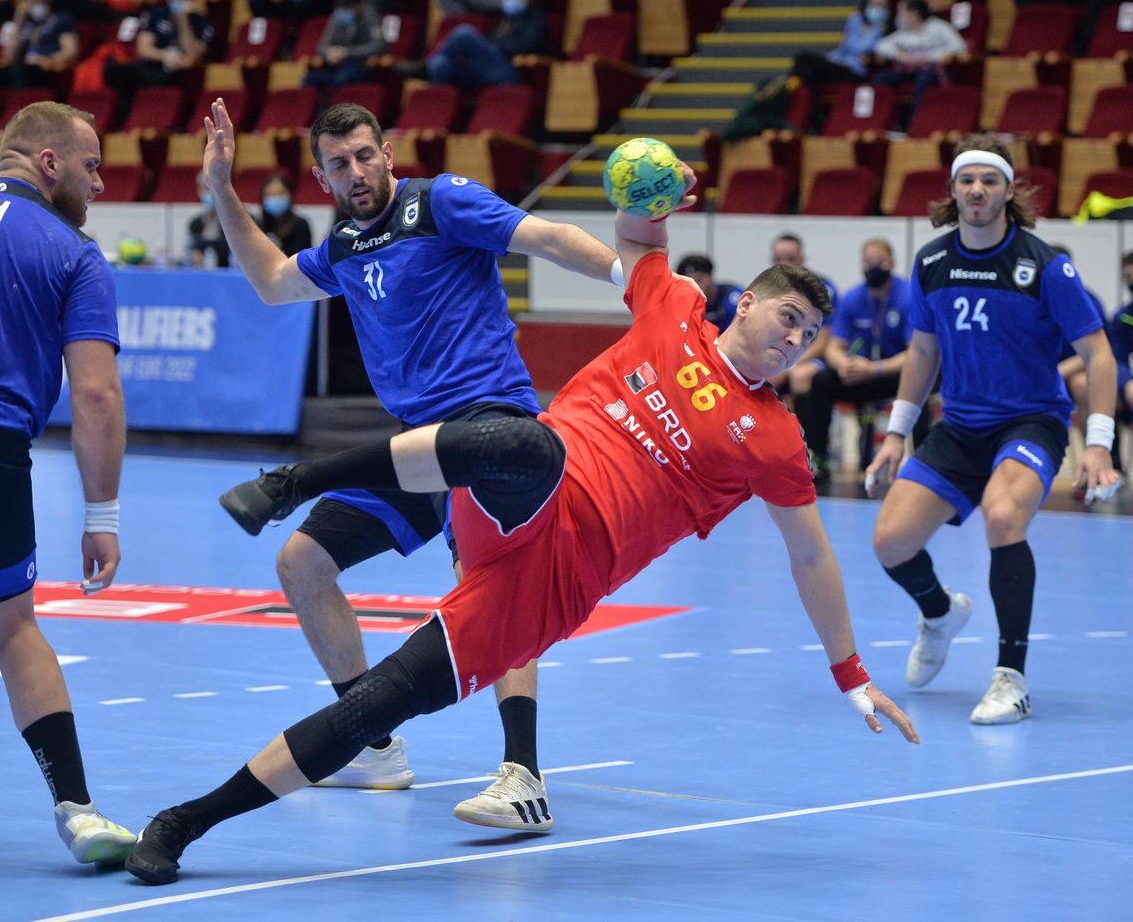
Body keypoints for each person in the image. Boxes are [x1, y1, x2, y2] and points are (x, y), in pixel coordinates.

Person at [125, 167, 920, 885]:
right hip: (529, 490)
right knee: (525, 439)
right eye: (787, 317)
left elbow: (811, 556)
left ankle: (182, 822)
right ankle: (294, 481)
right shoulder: (674, 305)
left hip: (558, 578)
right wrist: (651, 193)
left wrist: (850, 671)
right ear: (743, 301)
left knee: (375, 707)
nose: (794, 339)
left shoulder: (776, 440)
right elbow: (639, 236)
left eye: (809, 333)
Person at [197, 97, 621, 828]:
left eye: (365, 155)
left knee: (492, 586)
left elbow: (545, 236)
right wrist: (222, 190)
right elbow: (270, 282)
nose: (355, 172)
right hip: (410, 443)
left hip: (490, 426)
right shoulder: (342, 249)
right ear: (323, 178)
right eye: (338, 164)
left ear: (387, 154)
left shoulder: (443, 203)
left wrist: (628, 277)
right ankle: (374, 745)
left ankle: (524, 776)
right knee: (302, 564)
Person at [0, 101, 134, 865]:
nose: (100, 183)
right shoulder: (72, 252)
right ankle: (79, 812)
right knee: (14, 632)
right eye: (91, 166)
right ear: (48, 163)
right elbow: (95, 394)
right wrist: (102, 513)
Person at [865, 134, 1120, 725]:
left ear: (1009, 191)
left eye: (989, 180)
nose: (977, 190)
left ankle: (1011, 678)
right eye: (967, 180)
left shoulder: (1044, 265)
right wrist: (896, 435)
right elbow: (923, 353)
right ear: (953, 192)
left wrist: (1100, 443)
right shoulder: (930, 262)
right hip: (960, 425)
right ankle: (940, 613)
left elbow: (1099, 354)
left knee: (1004, 518)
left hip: (1031, 420)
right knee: (890, 542)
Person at [794, 237, 923, 482]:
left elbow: (915, 353)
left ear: (892, 263)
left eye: (879, 261)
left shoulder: (908, 296)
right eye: (868, 261)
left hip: (893, 374)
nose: (873, 266)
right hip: (859, 375)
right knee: (820, 380)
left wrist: (876, 369)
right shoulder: (853, 297)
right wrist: (843, 363)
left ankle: (922, 464)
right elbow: (834, 346)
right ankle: (818, 459)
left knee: (921, 381)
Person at [396, 0, 548, 89]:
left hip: (508, 72)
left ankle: (424, 66)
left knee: (464, 33)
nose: (512, 0)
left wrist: (488, 48)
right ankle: (437, 118)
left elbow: (524, 46)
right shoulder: (503, 20)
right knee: (440, 64)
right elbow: (490, 39)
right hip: (486, 70)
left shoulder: (536, 20)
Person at [1049, 244, 1119, 477]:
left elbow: (1101, 351)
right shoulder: (1032, 298)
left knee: (1081, 383)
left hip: (1073, 370)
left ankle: (1097, 461)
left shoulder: (1086, 300)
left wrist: (1061, 370)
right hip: (1042, 375)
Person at [102, 0, 214, 122]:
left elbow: (193, 53)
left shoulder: (200, 21)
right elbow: (144, 49)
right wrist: (165, 56)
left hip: (180, 71)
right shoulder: (156, 14)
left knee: (184, 77)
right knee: (114, 70)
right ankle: (120, 122)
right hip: (156, 65)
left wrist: (183, 20)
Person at [765, 233, 839, 424]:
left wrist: (788, 363)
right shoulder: (765, 290)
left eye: (790, 259)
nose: (784, 264)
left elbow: (822, 342)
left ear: (802, 259)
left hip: (812, 358)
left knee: (801, 375)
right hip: (782, 356)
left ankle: (809, 447)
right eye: (778, 259)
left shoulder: (822, 288)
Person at [0, 0, 79, 92]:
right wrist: (18, 19)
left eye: (41, 2)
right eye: (34, 2)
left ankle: (19, 105)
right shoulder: (24, 24)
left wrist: (48, 60)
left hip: (45, 68)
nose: (38, 5)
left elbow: (70, 51)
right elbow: (9, 56)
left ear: (49, 2)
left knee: (19, 71)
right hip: (22, 68)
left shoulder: (61, 19)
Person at [873, 0, 967, 116]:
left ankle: (915, 122)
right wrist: (899, 55)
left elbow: (959, 46)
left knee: (923, 81)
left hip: (930, 69)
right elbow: (880, 45)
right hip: (908, 69)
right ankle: (887, 119)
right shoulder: (904, 31)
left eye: (902, 12)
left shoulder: (938, 26)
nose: (899, 16)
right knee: (881, 78)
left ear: (914, 13)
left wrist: (929, 57)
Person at [791, 0, 891, 90]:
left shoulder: (885, 31)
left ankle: (790, 93)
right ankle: (794, 94)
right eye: (874, 4)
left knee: (804, 59)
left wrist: (878, 30)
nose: (878, 8)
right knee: (807, 70)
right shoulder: (855, 19)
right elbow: (844, 47)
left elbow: (861, 48)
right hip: (838, 62)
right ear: (866, 4)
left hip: (855, 71)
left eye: (882, 5)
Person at [301, 0, 387, 94]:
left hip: (361, 64)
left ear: (359, 5)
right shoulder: (338, 15)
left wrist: (347, 52)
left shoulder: (370, 15)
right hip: (337, 64)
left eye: (348, 7)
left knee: (341, 78)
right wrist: (330, 52)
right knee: (310, 78)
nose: (344, 11)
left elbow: (379, 46)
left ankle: (336, 110)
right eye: (342, 7)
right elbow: (322, 46)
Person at [675, 252, 740, 328]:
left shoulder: (733, 301)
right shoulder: (678, 304)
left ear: (711, 275)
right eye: (688, 283)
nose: (694, 286)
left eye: (699, 280)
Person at [254, 173, 312, 257]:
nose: (275, 198)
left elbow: (303, 260)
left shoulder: (301, 224)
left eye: (280, 193)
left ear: (290, 195)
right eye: (269, 194)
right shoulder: (257, 225)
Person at [186, 169, 232, 267]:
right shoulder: (194, 224)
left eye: (213, 188)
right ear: (199, 191)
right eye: (206, 189)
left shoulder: (236, 223)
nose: (210, 192)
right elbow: (188, 252)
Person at [1113, 251, 1133, 438]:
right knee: (1107, 394)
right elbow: (1117, 358)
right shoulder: (1123, 318)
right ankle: (1115, 463)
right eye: (1128, 277)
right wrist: (1128, 382)